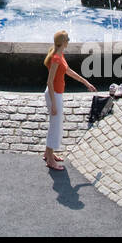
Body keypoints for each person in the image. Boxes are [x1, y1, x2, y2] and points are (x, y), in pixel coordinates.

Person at [43, 30, 96, 171]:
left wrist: (86, 83)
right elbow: (49, 82)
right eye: (68, 39)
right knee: (56, 127)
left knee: (54, 125)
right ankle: (50, 160)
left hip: (56, 94)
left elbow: (68, 71)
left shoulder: (59, 54)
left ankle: (48, 153)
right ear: (63, 42)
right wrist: (54, 103)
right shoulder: (56, 58)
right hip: (54, 95)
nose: (69, 41)